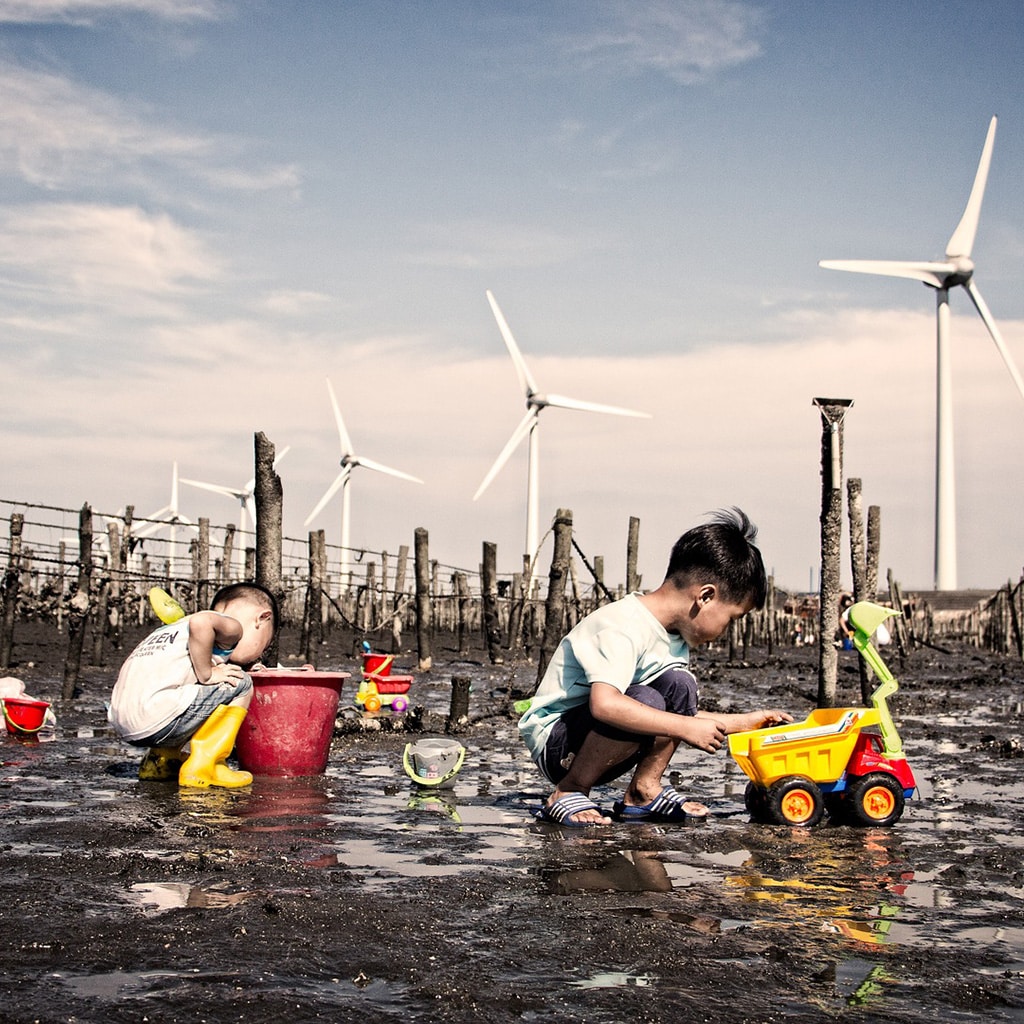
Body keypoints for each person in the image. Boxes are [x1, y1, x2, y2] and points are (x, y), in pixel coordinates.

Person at [520, 508, 793, 826]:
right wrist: (685, 728)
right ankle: (569, 791)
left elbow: (678, 716)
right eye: (732, 619)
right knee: (646, 700)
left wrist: (745, 723)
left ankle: (643, 790)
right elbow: (607, 705)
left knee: (680, 684)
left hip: (597, 739)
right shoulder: (622, 625)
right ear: (705, 596)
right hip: (559, 745)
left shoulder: (673, 638)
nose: (727, 630)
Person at [109, 582, 278, 789]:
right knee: (240, 682)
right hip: (157, 721)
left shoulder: (177, 629)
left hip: (124, 721)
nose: (260, 653)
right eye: (264, 644)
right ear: (262, 619)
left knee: (192, 689)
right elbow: (201, 622)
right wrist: (207, 674)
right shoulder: (233, 627)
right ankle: (206, 766)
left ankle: (159, 762)